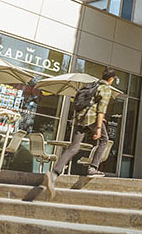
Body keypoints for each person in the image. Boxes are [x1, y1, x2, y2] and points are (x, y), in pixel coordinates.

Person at [43, 67, 117, 197]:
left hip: (80, 119)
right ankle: (93, 168)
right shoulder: (105, 89)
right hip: (92, 119)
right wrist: (99, 128)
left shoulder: (92, 85)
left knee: (73, 147)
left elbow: (90, 104)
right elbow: (100, 110)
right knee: (104, 140)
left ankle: (54, 173)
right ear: (111, 79)